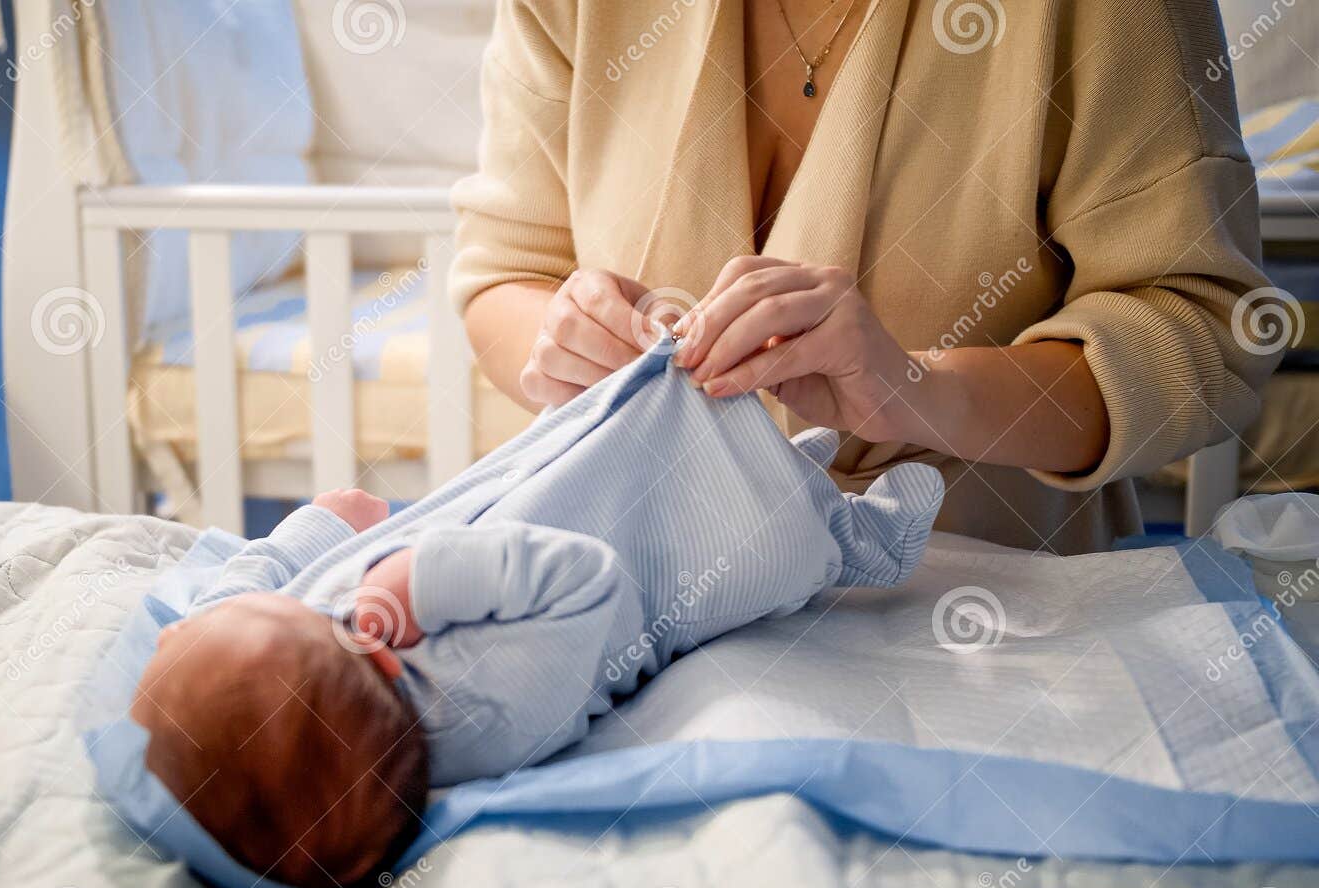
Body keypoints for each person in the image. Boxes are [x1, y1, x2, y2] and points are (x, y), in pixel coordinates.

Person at [453, 0, 1279, 554]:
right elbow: (505, 273)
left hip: (991, 616)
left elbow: (1203, 326)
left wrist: (925, 390)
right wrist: (565, 341)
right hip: (635, 591)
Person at [129, 335, 945, 888]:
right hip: (667, 554)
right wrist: (421, 579)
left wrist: (317, 527)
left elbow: (240, 602)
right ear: (375, 658)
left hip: (557, 482)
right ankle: (866, 535)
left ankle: (799, 467)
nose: (177, 631)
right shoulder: (491, 712)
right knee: (772, 532)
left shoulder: (285, 666)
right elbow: (589, 583)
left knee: (624, 427)